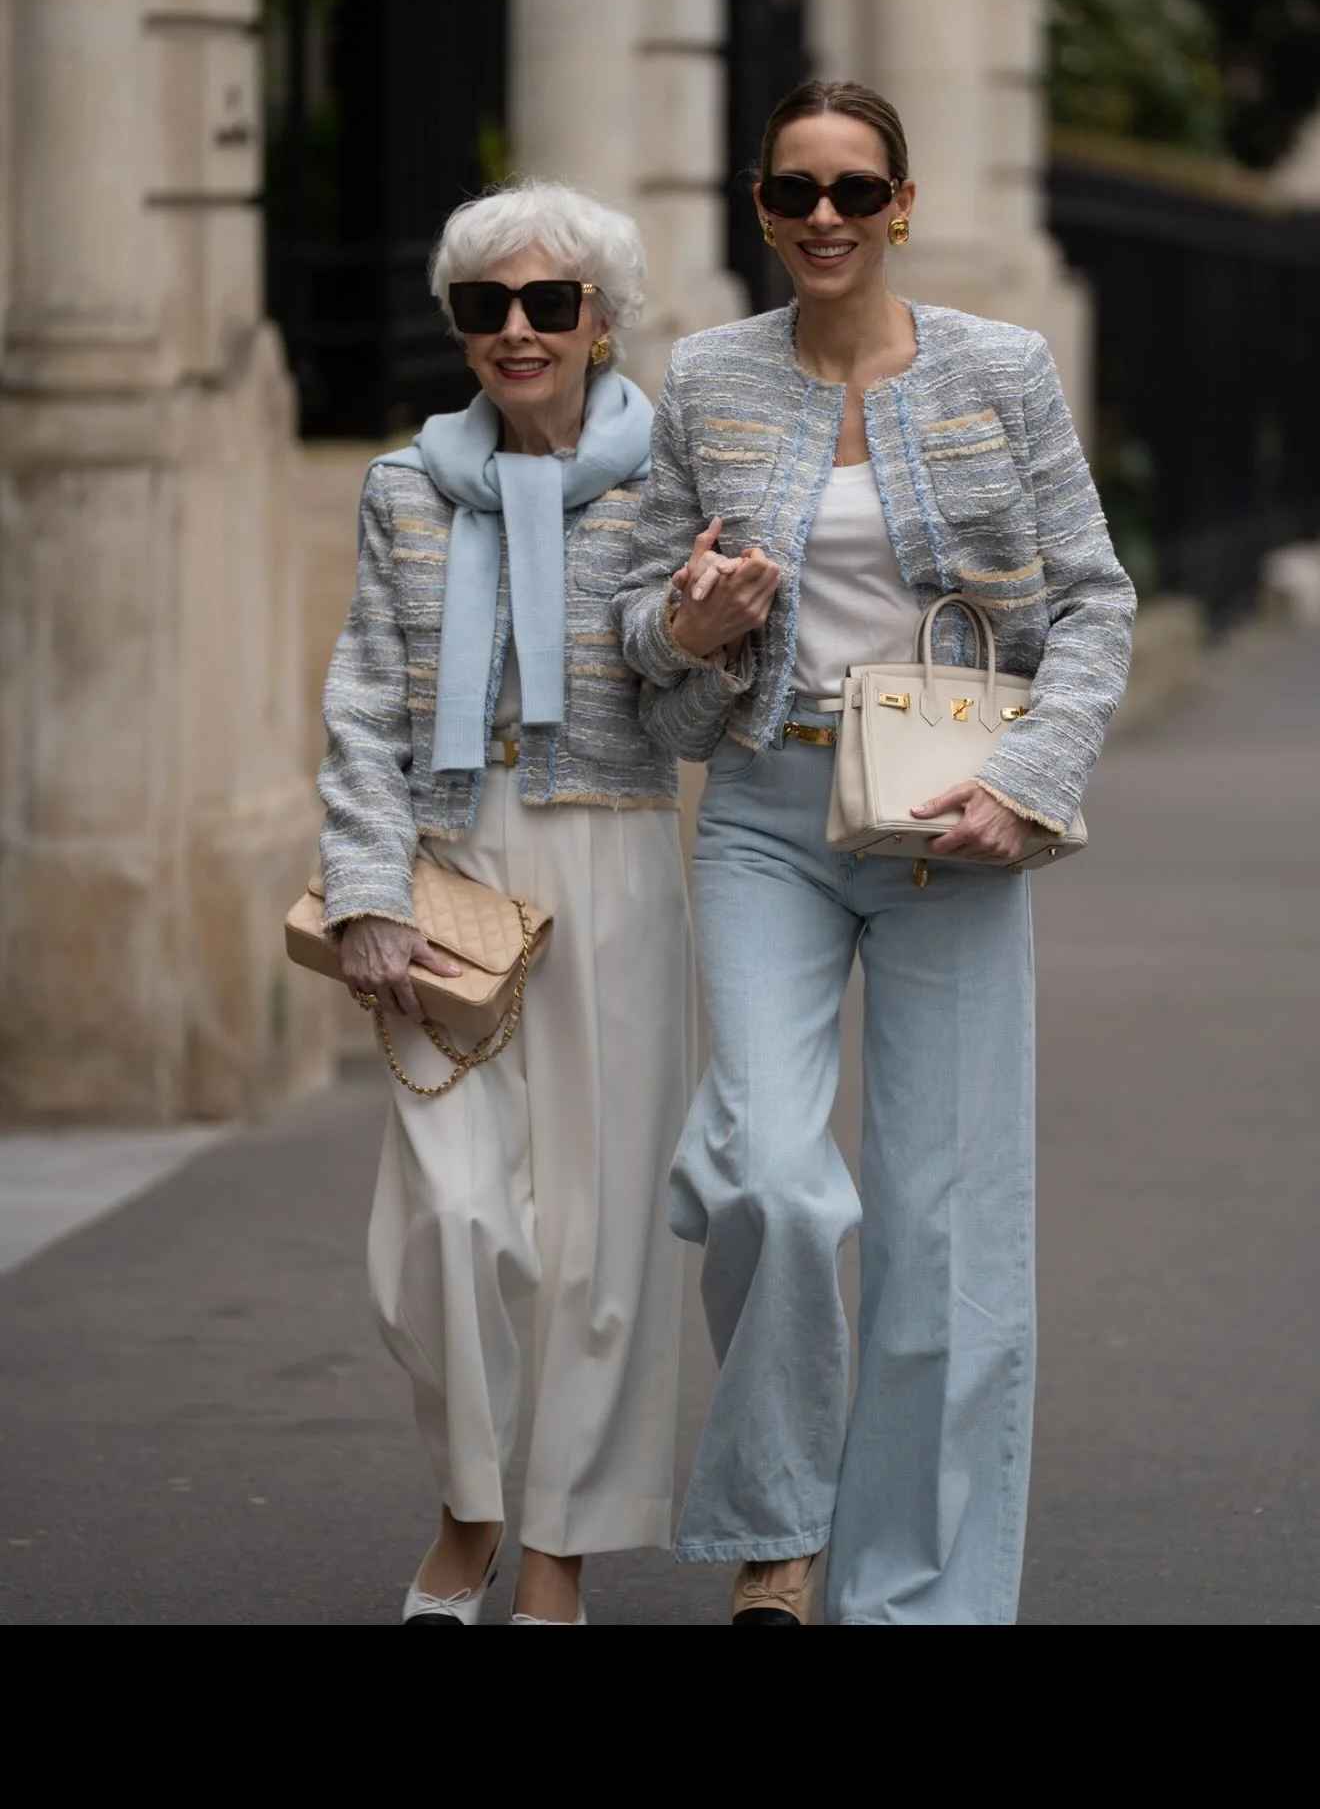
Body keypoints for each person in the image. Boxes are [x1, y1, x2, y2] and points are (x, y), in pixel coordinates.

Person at [615, 79, 1136, 1626]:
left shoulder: (1002, 368)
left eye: (855, 192)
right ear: (761, 211)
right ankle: (783, 1525)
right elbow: (636, 624)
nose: (826, 219)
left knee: (945, 1231)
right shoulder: (706, 377)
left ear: (902, 205)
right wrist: (690, 629)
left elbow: (1096, 602)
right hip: (768, 819)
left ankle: (912, 1599)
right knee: (775, 1179)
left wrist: (1031, 783)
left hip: (951, 827)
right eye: (796, 193)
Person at [318, 178, 699, 1627]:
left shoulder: (676, 476)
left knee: (604, 1239)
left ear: (605, 320)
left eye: (552, 303)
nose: (520, 331)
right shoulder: (402, 484)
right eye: (488, 307)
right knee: (445, 1223)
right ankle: (472, 1503)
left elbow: (697, 716)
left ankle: (555, 1558)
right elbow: (361, 702)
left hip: (611, 858)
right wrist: (366, 890)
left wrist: (699, 635)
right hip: (446, 874)